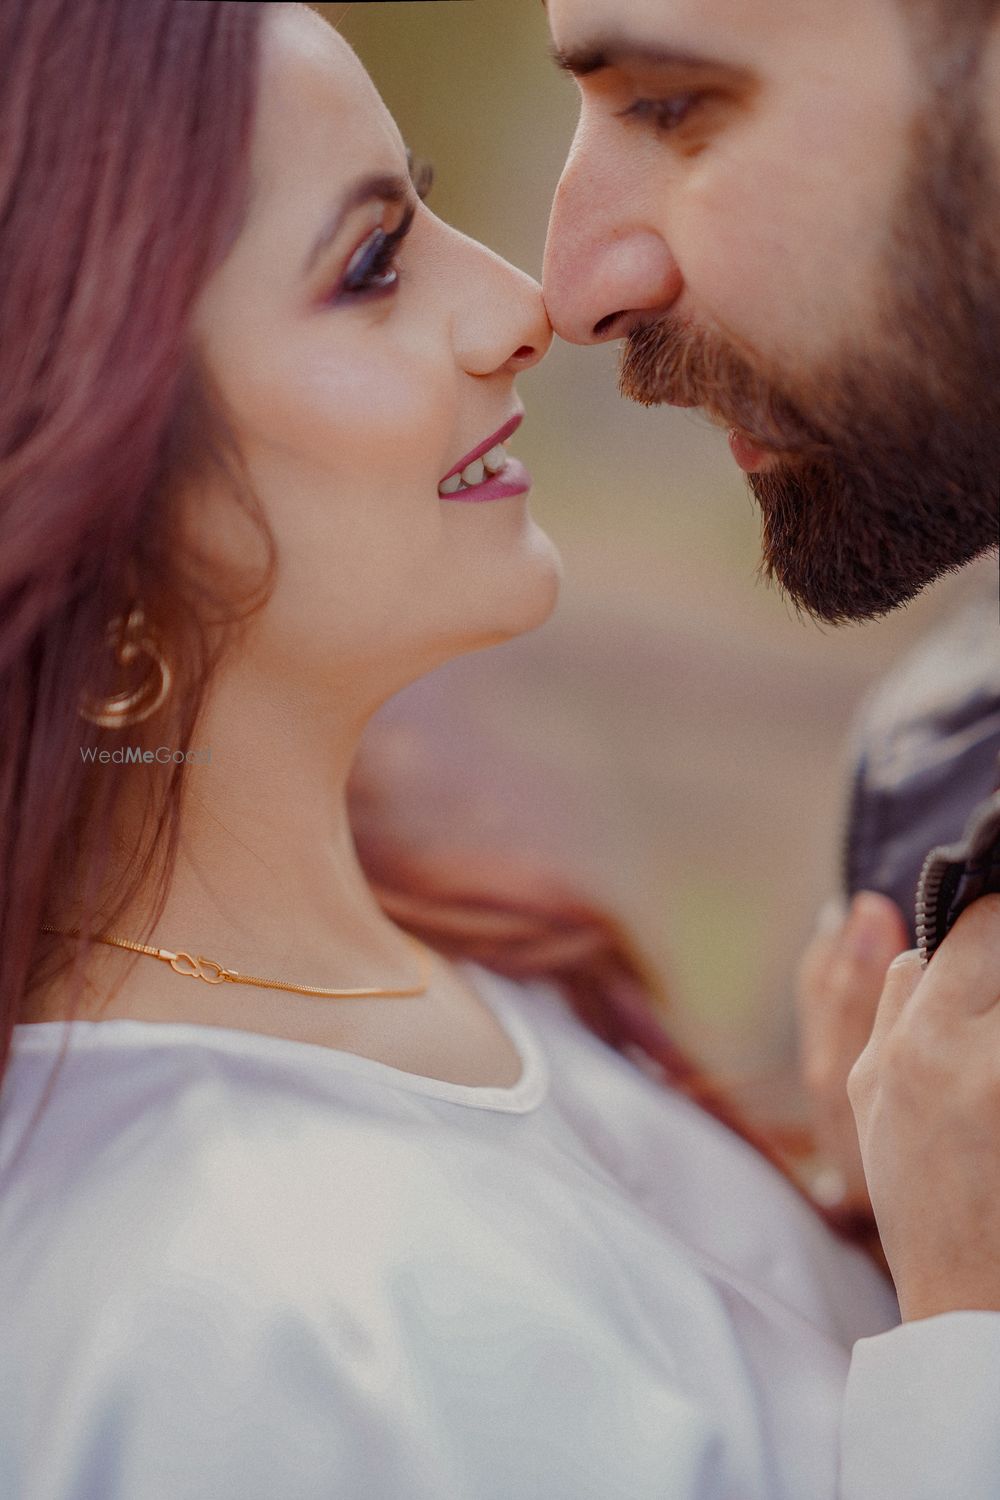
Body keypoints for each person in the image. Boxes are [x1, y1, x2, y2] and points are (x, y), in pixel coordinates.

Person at [0, 5, 998, 1500]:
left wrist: (878, 1219)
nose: (528, 301)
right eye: (370, 267)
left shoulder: (456, 956)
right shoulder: (240, 1327)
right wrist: (966, 1325)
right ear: (100, 477)